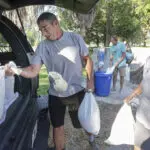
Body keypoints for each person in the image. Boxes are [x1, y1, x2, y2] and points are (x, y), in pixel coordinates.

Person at [5, 12, 98, 150]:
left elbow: (87, 59)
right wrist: (16, 70)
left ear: (56, 23)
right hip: (56, 95)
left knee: (83, 122)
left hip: (76, 91)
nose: (43, 33)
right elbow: (33, 70)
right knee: (57, 126)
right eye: (41, 30)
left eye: (45, 28)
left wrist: (91, 81)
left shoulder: (74, 38)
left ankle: (91, 139)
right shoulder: (43, 46)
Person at [124, 56, 150, 150]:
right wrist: (131, 96)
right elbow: (144, 82)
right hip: (142, 115)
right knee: (138, 145)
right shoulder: (148, 60)